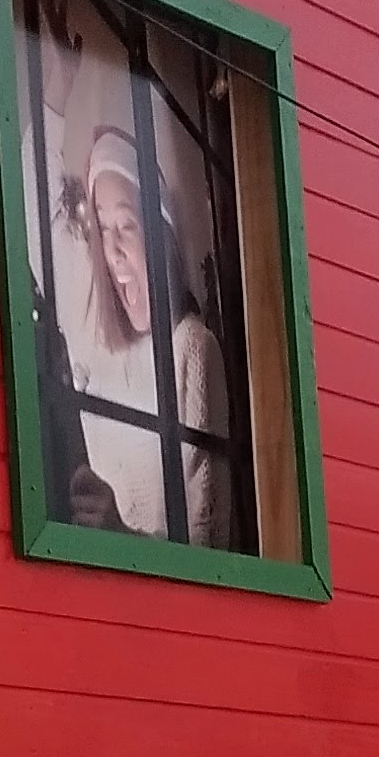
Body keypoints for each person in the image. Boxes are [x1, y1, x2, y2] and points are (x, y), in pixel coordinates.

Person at [55, 122, 236, 546]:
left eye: (127, 226)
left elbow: (208, 545)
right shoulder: (101, 366)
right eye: (102, 229)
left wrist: (120, 533)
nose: (112, 250)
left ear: (160, 234)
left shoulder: (192, 349)